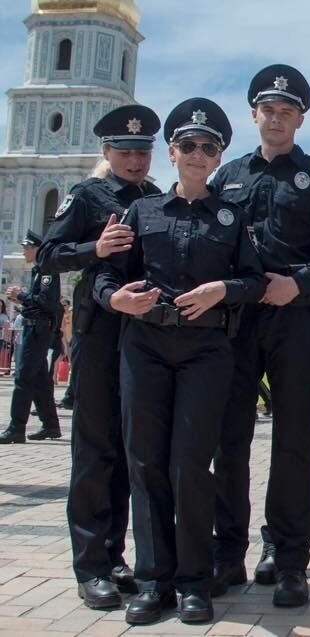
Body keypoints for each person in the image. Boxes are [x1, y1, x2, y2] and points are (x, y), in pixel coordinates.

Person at [95, 98, 265, 625]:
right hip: (145, 345)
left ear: (218, 158)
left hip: (205, 351)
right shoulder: (141, 212)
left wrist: (222, 289)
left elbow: (255, 281)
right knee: (145, 462)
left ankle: (194, 580)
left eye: (208, 148)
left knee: (190, 465)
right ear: (171, 152)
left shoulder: (232, 217)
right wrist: (114, 299)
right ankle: (153, 581)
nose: (197, 154)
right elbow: (107, 275)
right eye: (188, 145)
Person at [210, 65, 310, 607]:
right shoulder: (227, 177)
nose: (276, 118)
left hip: (297, 319)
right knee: (230, 439)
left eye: (287, 111)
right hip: (236, 320)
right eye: (268, 110)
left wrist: (298, 284)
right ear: (254, 114)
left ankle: (290, 559)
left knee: (294, 441)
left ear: (300, 119)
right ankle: (228, 554)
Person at [38, 104, 163, 608]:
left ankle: (115, 556)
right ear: (107, 152)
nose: (135, 160)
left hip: (145, 337)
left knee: (131, 449)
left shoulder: (155, 198)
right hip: (100, 335)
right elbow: (48, 256)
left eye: (143, 151)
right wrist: (96, 248)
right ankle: (91, 565)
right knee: (95, 450)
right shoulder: (87, 196)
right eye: (125, 151)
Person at [0, 231, 62, 444]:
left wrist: (22, 296)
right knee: (39, 380)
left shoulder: (47, 271)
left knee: (23, 379)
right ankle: (51, 425)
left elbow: (48, 303)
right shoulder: (39, 271)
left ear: (37, 249)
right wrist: (23, 301)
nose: (24, 251)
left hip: (38, 332)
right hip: (34, 329)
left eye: (27, 248)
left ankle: (16, 428)